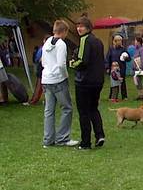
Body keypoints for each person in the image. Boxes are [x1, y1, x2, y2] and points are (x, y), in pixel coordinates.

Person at [41, 20, 78, 148]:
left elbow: (43, 61)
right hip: (58, 79)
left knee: (49, 110)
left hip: (46, 79)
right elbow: (62, 63)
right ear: (64, 32)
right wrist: (65, 75)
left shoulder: (47, 42)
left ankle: (48, 139)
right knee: (67, 108)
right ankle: (62, 138)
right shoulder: (61, 44)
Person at [70, 16, 105, 150]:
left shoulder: (85, 40)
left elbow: (82, 61)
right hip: (98, 81)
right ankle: (100, 135)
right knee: (93, 108)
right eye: (77, 26)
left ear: (88, 28)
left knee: (83, 112)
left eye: (82, 26)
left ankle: (85, 142)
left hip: (85, 82)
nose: (79, 28)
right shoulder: (98, 41)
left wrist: (72, 63)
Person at [104, 35, 129, 101]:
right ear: (115, 41)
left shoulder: (123, 49)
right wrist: (107, 67)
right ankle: (112, 96)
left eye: (121, 41)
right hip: (113, 69)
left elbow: (128, 58)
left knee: (122, 82)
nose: (120, 42)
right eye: (119, 41)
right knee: (114, 83)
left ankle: (124, 96)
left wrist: (126, 58)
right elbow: (107, 59)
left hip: (122, 68)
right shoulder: (111, 49)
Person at [29, 34, 51, 105]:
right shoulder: (47, 49)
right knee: (43, 85)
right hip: (45, 69)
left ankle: (34, 100)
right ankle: (36, 99)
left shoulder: (43, 49)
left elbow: (37, 59)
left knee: (40, 85)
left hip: (42, 68)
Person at [132, 36, 143, 101]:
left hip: (140, 68)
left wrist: (140, 67)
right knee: (137, 81)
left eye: (135, 41)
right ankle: (140, 95)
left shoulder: (142, 50)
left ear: (138, 42)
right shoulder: (136, 50)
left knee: (138, 80)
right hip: (136, 68)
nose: (134, 42)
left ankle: (141, 95)